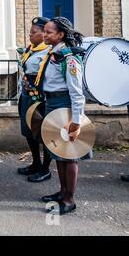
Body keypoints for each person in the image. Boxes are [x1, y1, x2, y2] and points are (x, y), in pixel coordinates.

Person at [36, 16, 91, 215]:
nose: (45, 35)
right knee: (58, 151)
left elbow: (77, 93)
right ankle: (62, 191)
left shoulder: (69, 58)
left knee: (69, 156)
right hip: (52, 104)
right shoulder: (53, 54)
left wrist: (76, 123)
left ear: (61, 35)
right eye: (45, 31)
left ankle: (69, 199)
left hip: (64, 106)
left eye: (49, 32)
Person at [17, 17, 53, 182]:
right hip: (26, 96)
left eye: (34, 32)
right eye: (30, 32)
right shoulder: (31, 49)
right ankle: (35, 163)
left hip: (39, 98)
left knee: (42, 132)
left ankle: (45, 169)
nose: (30, 35)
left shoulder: (48, 52)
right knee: (28, 132)